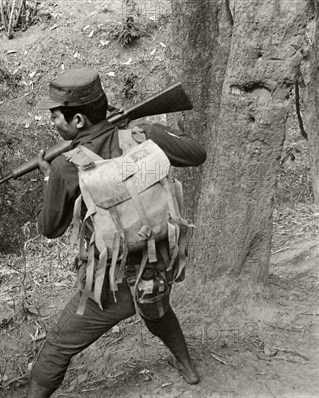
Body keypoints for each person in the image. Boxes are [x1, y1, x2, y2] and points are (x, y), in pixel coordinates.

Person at [28, 68, 206, 397]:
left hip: (109, 283)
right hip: (158, 267)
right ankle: (188, 367)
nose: (52, 123)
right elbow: (197, 154)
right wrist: (149, 140)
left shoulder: (66, 167)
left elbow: (49, 229)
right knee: (157, 312)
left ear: (78, 120)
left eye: (55, 117)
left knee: (55, 350)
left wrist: (49, 180)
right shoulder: (143, 135)